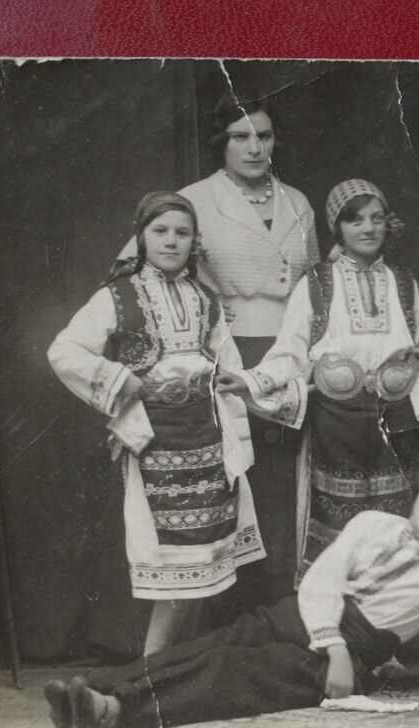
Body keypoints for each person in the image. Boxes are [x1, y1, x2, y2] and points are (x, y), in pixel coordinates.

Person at [42, 455, 419, 728]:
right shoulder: (372, 523)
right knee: (211, 644)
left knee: (233, 669)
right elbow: (321, 581)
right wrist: (335, 644)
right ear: (417, 495)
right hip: (300, 615)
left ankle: (113, 710)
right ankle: (89, 692)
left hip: (343, 656)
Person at [117, 91, 320, 602]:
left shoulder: (297, 202)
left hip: (287, 356)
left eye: (264, 136)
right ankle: (228, 614)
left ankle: (281, 607)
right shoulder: (196, 199)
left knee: (284, 481)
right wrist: (198, 299)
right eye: (240, 136)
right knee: (232, 479)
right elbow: (130, 271)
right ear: (221, 143)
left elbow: (315, 283)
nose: (254, 147)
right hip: (226, 354)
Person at [48, 191, 264, 655]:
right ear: (141, 237)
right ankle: (152, 665)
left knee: (206, 554)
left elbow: (227, 360)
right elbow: (64, 351)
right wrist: (116, 378)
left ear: (194, 241)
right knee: (170, 559)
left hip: (207, 438)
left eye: (182, 233)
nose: (171, 241)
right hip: (154, 442)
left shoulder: (204, 298)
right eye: (160, 231)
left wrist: (231, 381)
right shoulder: (118, 295)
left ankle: (175, 664)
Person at [218, 179, 419, 577]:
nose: (368, 228)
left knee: (396, 524)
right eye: (354, 219)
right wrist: (251, 381)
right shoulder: (318, 283)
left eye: (376, 218)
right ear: (338, 227)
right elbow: (290, 352)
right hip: (337, 425)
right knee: (342, 528)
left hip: (396, 424)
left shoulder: (404, 283)